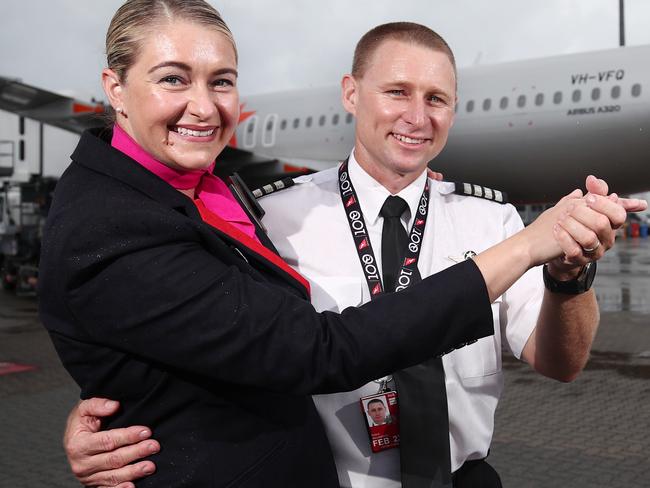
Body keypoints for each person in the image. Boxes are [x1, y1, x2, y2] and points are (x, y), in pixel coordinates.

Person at [53, 13, 644, 488]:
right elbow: (203, 331)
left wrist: (570, 278)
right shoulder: (270, 217)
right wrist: (116, 420)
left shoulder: (493, 220)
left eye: (437, 98)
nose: (417, 117)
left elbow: (561, 364)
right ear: (351, 93)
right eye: (396, 92)